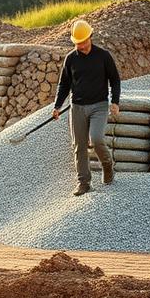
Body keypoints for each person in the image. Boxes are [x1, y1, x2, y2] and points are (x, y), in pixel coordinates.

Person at [53, 20, 121, 197]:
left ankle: (107, 165)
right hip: (77, 107)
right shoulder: (71, 59)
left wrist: (115, 101)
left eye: (83, 41)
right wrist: (57, 106)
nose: (80, 46)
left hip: (99, 105)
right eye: (77, 43)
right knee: (79, 145)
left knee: (96, 138)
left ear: (90, 37)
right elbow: (64, 85)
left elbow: (114, 80)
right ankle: (84, 182)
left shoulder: (103, 56)